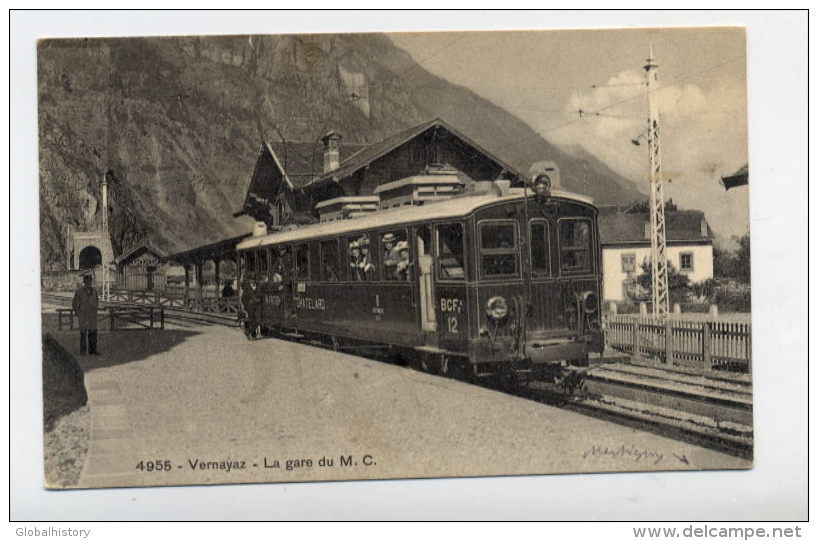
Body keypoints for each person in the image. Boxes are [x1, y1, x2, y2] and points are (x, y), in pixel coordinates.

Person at [72, 274, 99, 355]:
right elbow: (75, 303)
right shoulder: (79, 292)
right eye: (87, 281)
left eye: (90, 281)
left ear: (91, 282)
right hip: (83, 316)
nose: (88, 283)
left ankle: (92, 351)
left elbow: (97, 302)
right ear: (84, 282)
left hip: (92, 315)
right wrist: (77, 312)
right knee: (83, 334)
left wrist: (94, 310)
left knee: (93, 333)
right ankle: (83, 351)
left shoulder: (95, 291)